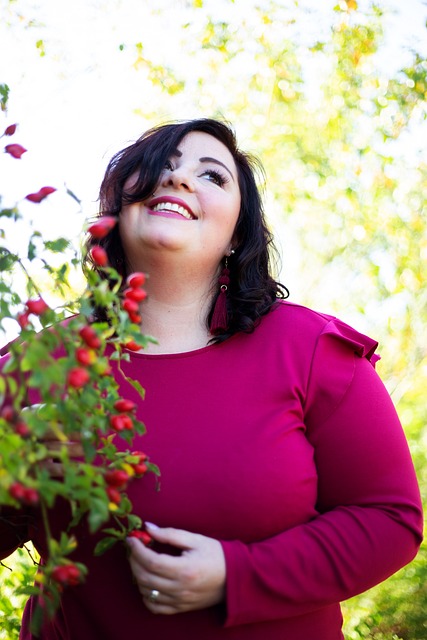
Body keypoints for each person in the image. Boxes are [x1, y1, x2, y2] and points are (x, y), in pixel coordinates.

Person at [0, 118, 423, 639]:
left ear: (235, 237)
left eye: (213, 176)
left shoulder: (312, 351)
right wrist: (10, 467)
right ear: (115, 211)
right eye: (162, 166)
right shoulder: (33, 363)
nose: (179, 180)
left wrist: (237, 575)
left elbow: (389, 520)